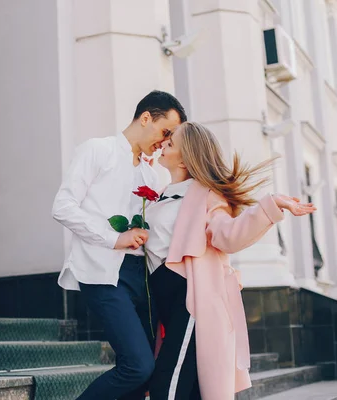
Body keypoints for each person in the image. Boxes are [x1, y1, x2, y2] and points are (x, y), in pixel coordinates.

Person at [144, 122, 316, 399]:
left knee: (169, 383)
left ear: (187, 157)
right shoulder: (162, 196)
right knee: (186, 386)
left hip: (188, 300)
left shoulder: (205, 196)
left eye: (171, 143)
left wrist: (271, 205)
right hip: (161, 299)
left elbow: (229, 233)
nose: (163, 144)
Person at [52, 91, 187, 400]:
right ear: (145, 118)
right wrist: (114, 238)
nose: (165, 141)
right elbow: (63, 206)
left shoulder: (153, 175)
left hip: (145, 280)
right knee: (138, 366)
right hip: (103, 274)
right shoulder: (97, 151)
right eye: (165, 132)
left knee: (147, 372)